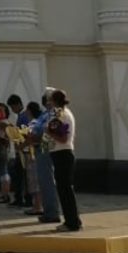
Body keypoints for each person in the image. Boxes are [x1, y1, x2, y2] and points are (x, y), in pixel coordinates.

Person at [48, 89, 81, 233]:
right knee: (65, 189)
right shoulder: (64, 113)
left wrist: (47, 131)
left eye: (50, 100)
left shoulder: (60, 114)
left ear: (55, 101)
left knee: (65, 190)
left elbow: (62, 137)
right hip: (62, 153)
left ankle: (71, 222)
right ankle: (74, 219)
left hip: (62, 153)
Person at [30, 89, 61, 224]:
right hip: (41, 147)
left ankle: (52, 212)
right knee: (42, 180)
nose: (46, 101)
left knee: (47, 180)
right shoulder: (45, 113)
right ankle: (48, 211)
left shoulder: (55, 113)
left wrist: (34, 136)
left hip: (46, 147)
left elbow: (47, 132)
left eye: (48, 98)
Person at [21, 102, 44, 215]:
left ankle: (38, 206)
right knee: (33, 180)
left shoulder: (34, 123)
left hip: (31, 154)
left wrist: (21, 145)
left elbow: (31, 138)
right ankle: (37, 205)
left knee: (34, 180)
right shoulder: (37, 122)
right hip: (33, 153)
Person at [6, 94, 27, 207]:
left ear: (18, 104)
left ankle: (21, 197)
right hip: (20, 149)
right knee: (18, 175)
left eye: (13, 107)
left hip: (23, 149)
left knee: (20, 176)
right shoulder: (21, 116)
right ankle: (19, 197)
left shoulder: (23, 116)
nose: (12, 110)